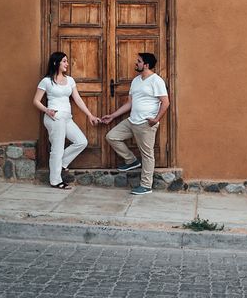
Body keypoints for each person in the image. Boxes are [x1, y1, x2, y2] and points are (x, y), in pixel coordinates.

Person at [102, 53, 169, 195]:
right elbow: (130, 103)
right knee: (111, 136)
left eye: (139, 61)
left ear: (146, 65)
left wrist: (156, 119)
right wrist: (113, 116)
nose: (136, 63)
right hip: (132, 121)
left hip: (146, 124)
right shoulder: (136, 80)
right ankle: (131, 160)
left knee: (147, 154)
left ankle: (146, 185)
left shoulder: (156, 80)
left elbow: (165, 102)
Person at [33, 52, 100, 190]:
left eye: (67, 61)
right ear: (55, 63)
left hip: (67, 118)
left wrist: (90, 115)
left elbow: (77, 99)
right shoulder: (46, 81)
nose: (67, 64)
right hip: (54, 117)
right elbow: (36, 101)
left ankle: (61, 164)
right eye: (64, 61)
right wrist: (47, 110)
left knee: (81, 141)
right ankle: (55, 180)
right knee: (57, 148)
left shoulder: (70, 80)